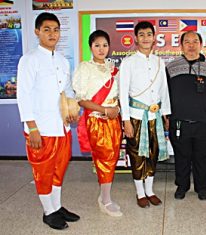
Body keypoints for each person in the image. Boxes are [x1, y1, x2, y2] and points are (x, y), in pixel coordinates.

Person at [16, 12, 80, 230]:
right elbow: (22, 95)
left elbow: (68, 90)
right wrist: (32, 127)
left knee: (59, 168)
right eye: (47, 29)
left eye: (56, 30)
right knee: (43, 171)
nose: (52, 34)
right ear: (37, 32)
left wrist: (72, 110)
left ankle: (57, 205)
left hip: (62, 126)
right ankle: (48, 211)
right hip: (41, 128)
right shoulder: (29, 59)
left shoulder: (62, 61)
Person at [166, 31, 206, 200]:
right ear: (181, 45)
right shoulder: (171, 68)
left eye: (195, 42)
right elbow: (165, 94)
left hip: (204, 122)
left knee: (202, 157)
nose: (191, 45)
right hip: (179, 122)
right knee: (181, 157)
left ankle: (202, 188)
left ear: (201, 44)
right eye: (187, 42)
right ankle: (182, 187)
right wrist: (166, 117)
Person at [119, 21, 171, 208]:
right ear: (136, 38)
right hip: (136, 116)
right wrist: (126, 120)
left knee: (153, 154)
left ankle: (150, 190)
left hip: (155, 117)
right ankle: (140, 192)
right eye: (141, 34)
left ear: (154, 37)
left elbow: (164, 90)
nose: (146, 38)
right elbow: (123, 93)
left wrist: (166, 114)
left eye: (149, 34)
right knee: (137, 155)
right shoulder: (128, 62)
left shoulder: (159, 61)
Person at [72, 30, 122, 217]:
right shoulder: (84, 68)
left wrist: (116, 109)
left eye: (105, 45)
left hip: (114, 120)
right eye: (97, 45)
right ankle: (105, 200)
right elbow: (81, 100)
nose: (101, 49)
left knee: (112, 158)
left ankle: (104, 195)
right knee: (104, 159)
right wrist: (105, 110)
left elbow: (118, 95)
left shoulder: (113, 68)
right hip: (97, 120)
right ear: (90, 47)